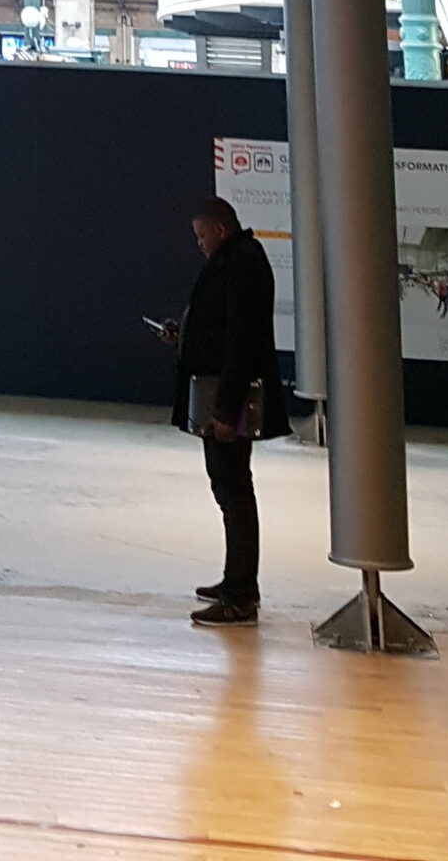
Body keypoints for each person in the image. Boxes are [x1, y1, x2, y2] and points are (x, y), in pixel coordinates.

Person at [161, 196, 287, 630]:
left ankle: (240, 596)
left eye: (201, 236)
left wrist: (227, 411)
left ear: (219, 229)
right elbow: (221, 328)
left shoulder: (242, 262)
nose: (199, 244)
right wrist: (185, 335)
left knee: (234, 493)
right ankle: (237, 582)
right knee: (229, 491)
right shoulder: (234, 260)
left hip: (227, 404)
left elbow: (243, 340)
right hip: (219, 399)